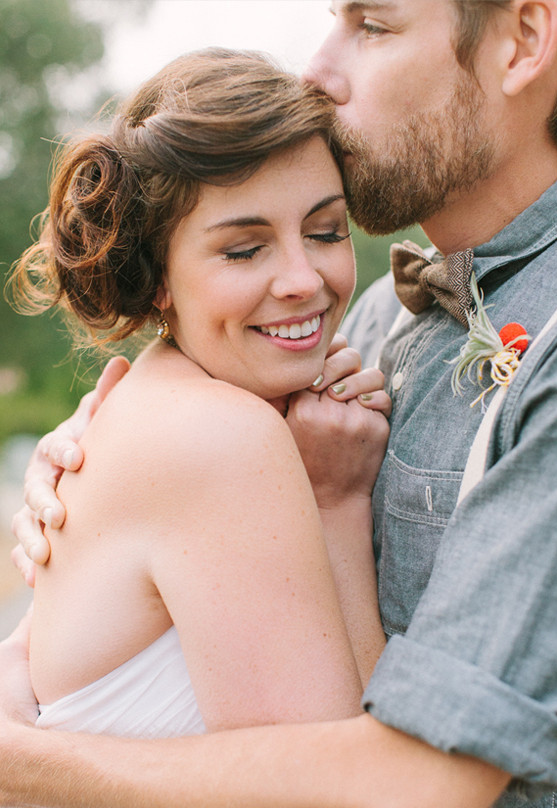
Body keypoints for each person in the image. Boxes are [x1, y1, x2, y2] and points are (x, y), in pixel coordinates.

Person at [1, 0, 557, 806]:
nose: (318, 70)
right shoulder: (371, 329)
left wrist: (23, 764)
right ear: (158, 271)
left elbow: (416, 781)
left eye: (372, 25)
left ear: (524, 40)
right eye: (244, 246)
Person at [4, 48, 390, 742]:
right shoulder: (218, 434)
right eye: (244, 250)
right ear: (157, 278)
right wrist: (337, 504)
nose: (304, 277)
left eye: (326, 231)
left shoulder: (154, 403)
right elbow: (332, 785)